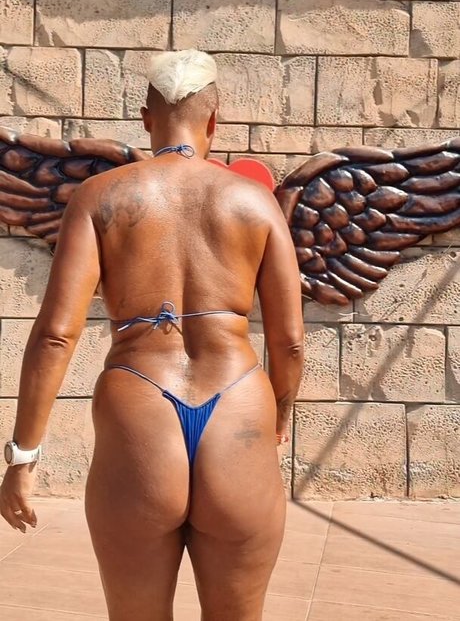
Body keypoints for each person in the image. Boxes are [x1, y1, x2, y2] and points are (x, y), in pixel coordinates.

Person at [0, 49, 304, 621]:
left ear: (145, 118)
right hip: (236, 403)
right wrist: (280, 414)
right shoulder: (255, 201)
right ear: (215, 121)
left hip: (139, 406)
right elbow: (288, 340)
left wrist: (23, 457)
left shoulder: (101, 196)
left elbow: (56, 336)